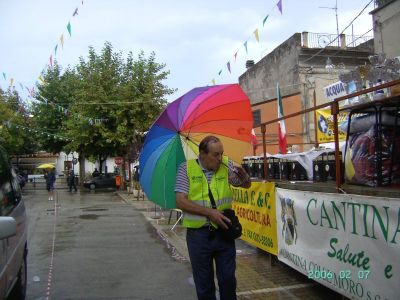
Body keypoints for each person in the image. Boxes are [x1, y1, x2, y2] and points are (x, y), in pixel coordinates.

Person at [175, 135, 251, 300]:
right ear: (202, 154)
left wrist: (244, 176)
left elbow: (245, 185)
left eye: (221, 153)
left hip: (224, 232)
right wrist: (210, 213)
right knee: (204, 284)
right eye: (215, 154)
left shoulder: (226, 165)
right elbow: (180, 200)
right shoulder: (186, 168)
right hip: (198, 237)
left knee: (228, 281)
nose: (219, 158)